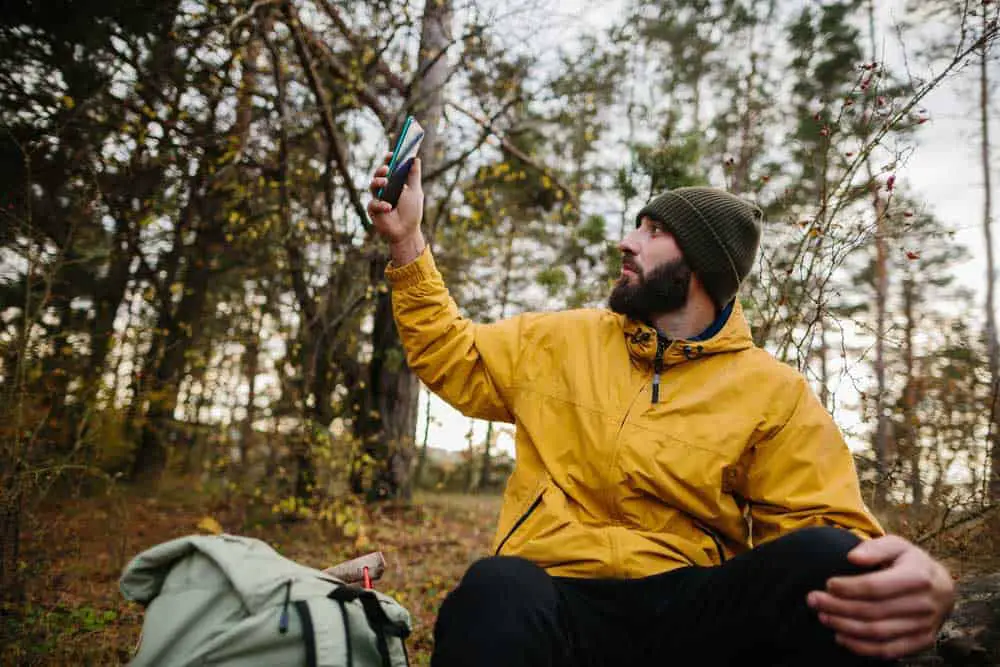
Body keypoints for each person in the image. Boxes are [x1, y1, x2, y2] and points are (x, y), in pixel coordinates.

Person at [367, 154, 955, 666]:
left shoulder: (772, 391)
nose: (628, 241)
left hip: (690, 612)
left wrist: (904, 575)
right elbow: (450, 353)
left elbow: (825, 529)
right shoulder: (562, 339)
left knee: (829, 560)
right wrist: (406, 241)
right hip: (554, 596)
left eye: (653, 232)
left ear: (699, 264)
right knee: (492, 587)